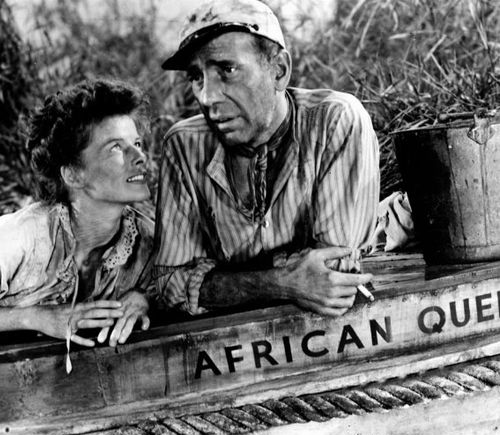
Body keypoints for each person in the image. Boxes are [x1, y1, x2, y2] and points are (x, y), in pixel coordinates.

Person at [154, 0, 379, 317]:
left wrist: (221, 279)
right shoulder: (183, 145)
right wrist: (283, 282)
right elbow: (169, 285)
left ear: (279, 70)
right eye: (196, 76)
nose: (207, 97)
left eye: (227, 70)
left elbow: (332, 272)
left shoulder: (335, 121)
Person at [0, 79, 153, 349]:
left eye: (137, 143)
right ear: (73, 175)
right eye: (116, 147)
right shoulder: (14, 240)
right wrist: (36, 317)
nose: (140, 156)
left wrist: (143, 299)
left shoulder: (148, 242)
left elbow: (169, 289)